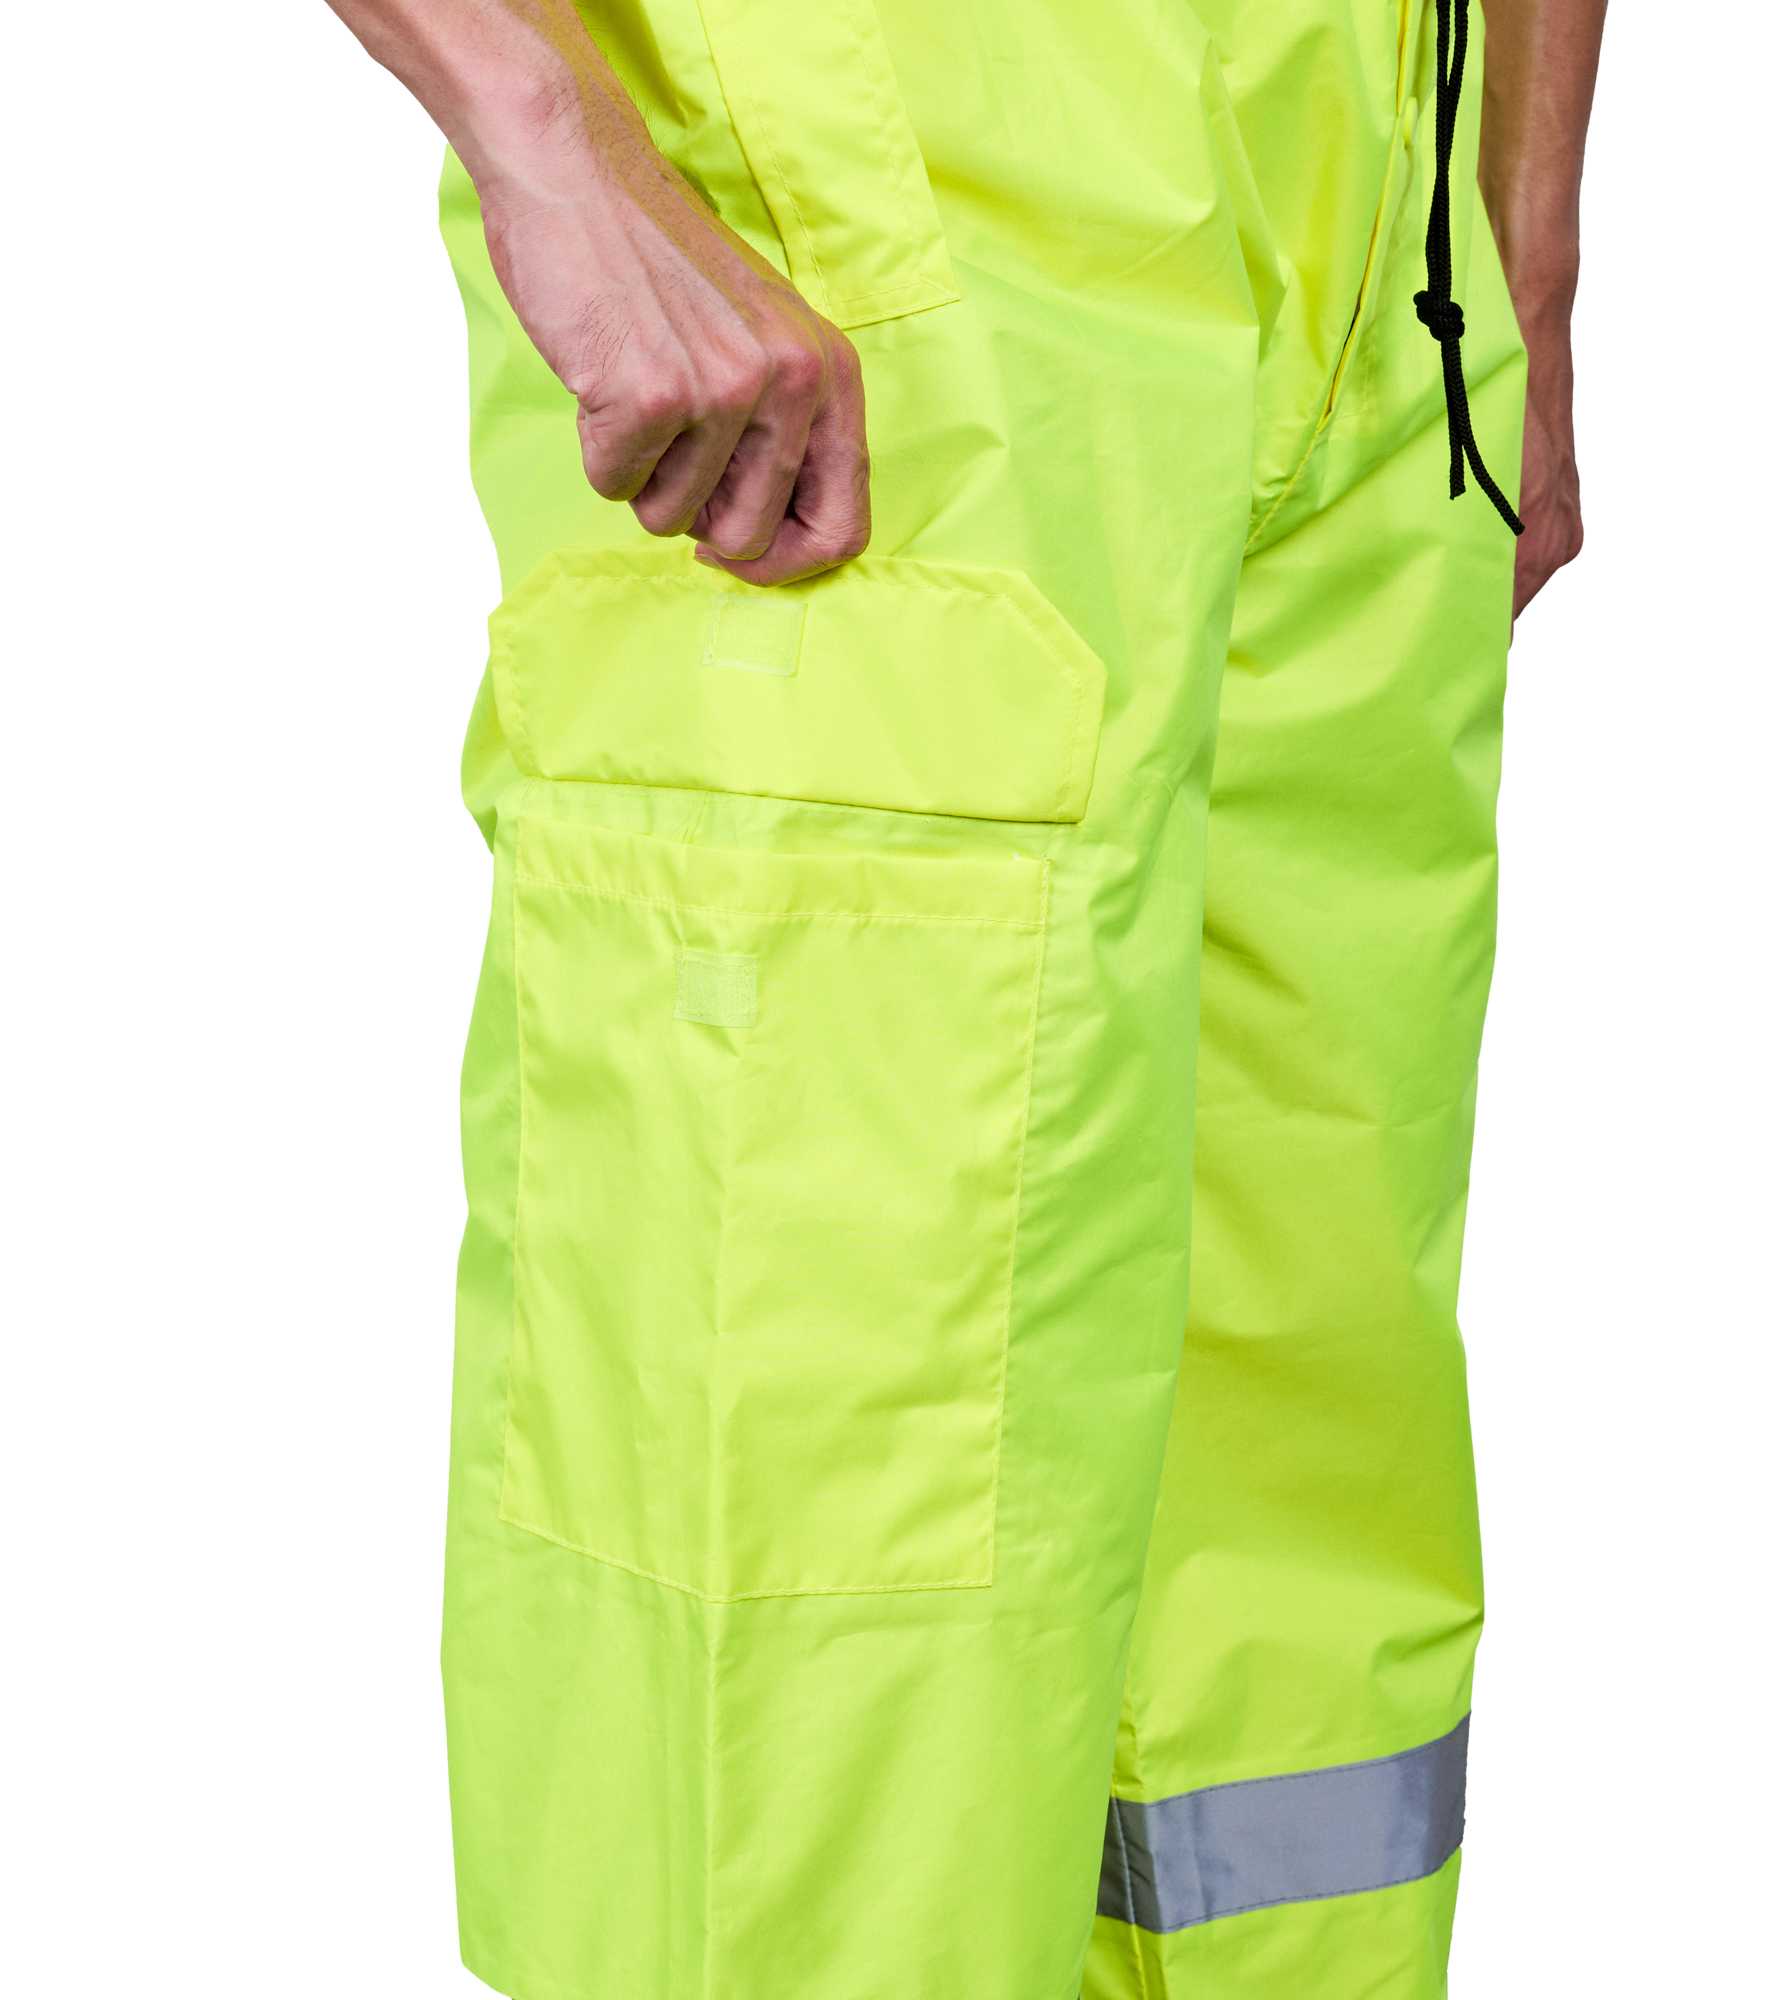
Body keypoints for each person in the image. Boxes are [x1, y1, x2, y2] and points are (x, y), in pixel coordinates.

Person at [324, 1, 1603, 1993]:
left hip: (1386, 218)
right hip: (860, 209)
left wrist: (1521, 241)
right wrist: (549, 126)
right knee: (831, 1494)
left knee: (1286, 1474)